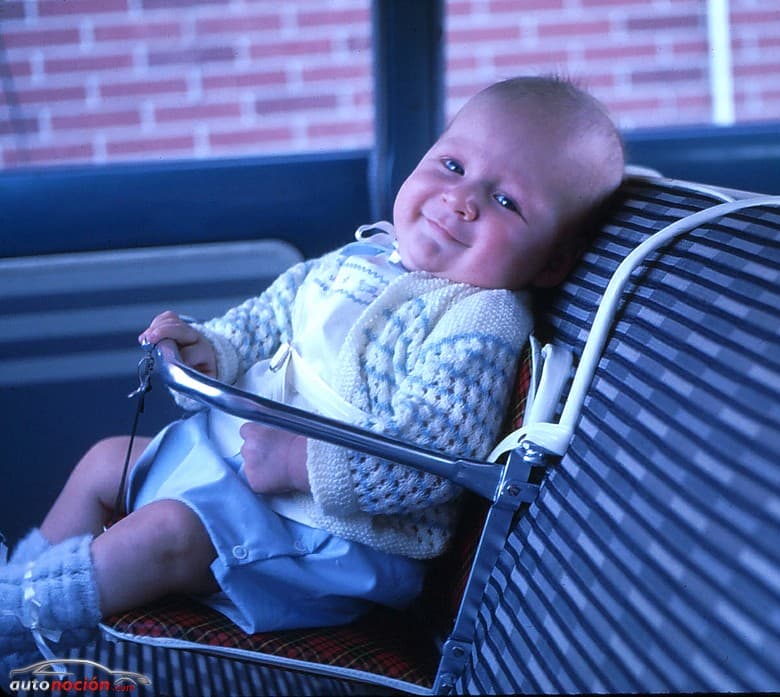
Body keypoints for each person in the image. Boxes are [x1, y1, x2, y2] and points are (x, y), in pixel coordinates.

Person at [1, 75, 625, 667]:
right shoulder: (363, 254)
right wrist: (208, 350)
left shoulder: (483, 317)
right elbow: (265, 320)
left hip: (335, 535)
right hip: (235, 468)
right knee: (105, 462)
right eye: (453, 166)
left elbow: (434, 453)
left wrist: (303, 463)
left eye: (506, 201)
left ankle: (22, 617)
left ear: (551, 263)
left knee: (166, 531)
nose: (461, 200)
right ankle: (20, 583)